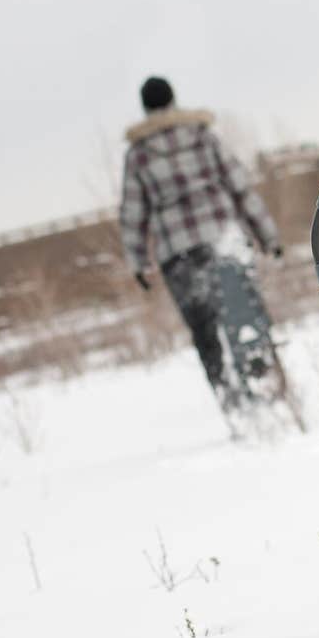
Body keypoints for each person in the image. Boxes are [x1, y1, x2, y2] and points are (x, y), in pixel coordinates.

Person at [119, 76, 283, 407]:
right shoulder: (202, 136)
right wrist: (268, 236)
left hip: (177, 254)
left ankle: (229, 397)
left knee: (204, 328)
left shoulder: (138, 155)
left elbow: (134, 214)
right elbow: (239, 187)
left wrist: (138, 262)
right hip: (223, 238)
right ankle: (266, 386)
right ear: (173, 100)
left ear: (146, 107)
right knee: (245, 313)